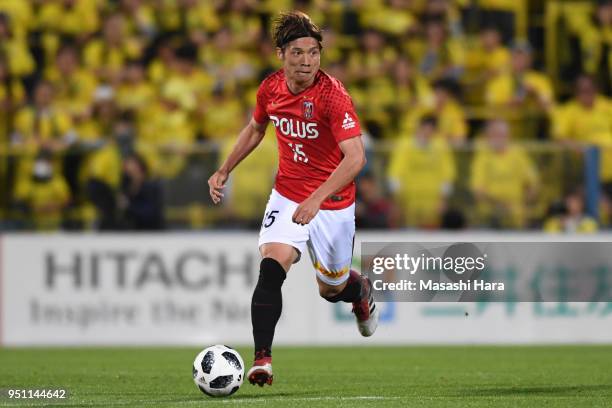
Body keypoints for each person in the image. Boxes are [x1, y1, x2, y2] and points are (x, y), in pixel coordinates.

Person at [207, 11, 377, 387]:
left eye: (313, 53)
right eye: (298, 53)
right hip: (287, 194)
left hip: (331, 203)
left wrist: (317, 198)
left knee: (330, 290)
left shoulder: (334, 97)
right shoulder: (270, 89)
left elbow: (356, 158)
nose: (307, 61)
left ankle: (360, 290)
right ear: (281, 54)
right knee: (272, 266)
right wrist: (224, 169)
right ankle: (262, 360)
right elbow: (255, 129)